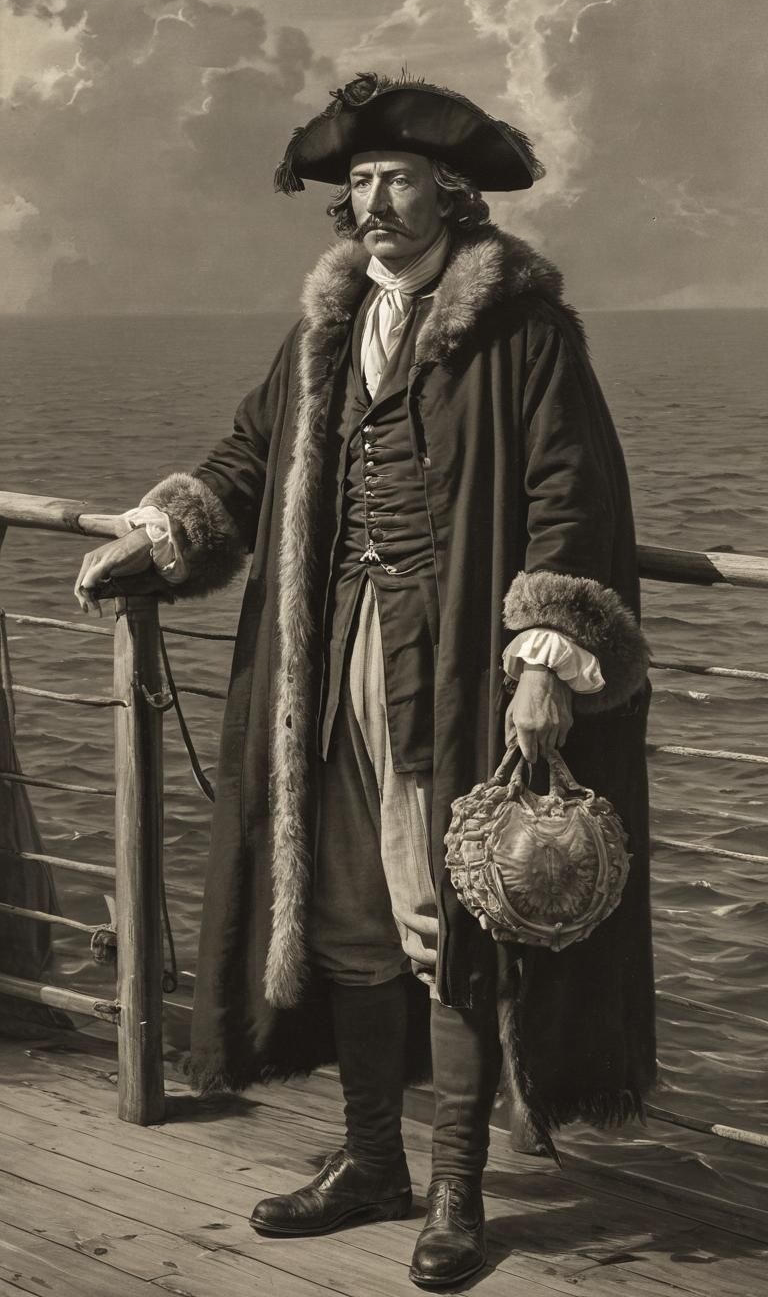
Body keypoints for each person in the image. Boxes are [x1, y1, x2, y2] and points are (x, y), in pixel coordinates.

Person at [75, 71, 655, 1290]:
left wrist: (545, 657)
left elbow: (571, 500)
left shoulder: (526, 333)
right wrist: (163, 535)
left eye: (397, 179)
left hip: (459, 662)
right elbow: (251, 459)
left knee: (457, 916)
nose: (374, 200)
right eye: (359, 183)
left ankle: (457, 1192)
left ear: (452, 191)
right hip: (328, 653)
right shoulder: (327, 330)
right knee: (343, 911)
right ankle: (372, 1163)